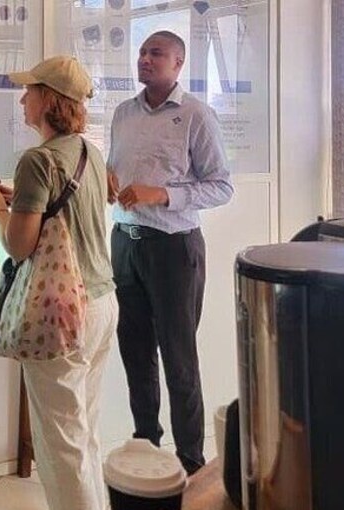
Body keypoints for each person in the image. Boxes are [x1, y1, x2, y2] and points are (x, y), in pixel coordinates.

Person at [0, 56, 118, 510]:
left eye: (30, 91)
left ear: (49, 100)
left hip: (62, 312)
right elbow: (65, 210)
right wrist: (19, 201)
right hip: (101, 303)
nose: (23, 99)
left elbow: (20, 245)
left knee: (62, 447)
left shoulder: (36, 160)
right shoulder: (90, 152)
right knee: (83, 434)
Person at [107, 30, 234, 476]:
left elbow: (221, 186)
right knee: (135, 354)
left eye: (155, 53)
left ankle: (191, 464)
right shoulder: (123, 113)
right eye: (142, 52)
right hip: (125, 243)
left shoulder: (196, 115)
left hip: (173, 249)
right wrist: (107, 179)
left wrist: (162, 194)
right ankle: (147, 451)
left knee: (179, 362)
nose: (145, 59)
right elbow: (115, 167)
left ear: (178, 63)